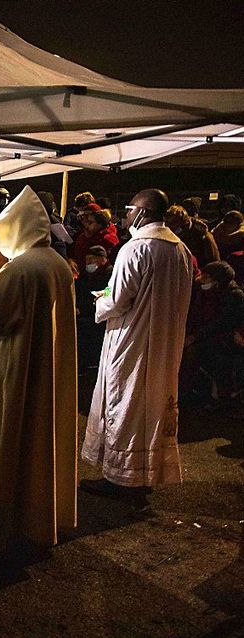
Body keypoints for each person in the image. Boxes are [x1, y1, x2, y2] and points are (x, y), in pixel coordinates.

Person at [0, 186, 78, 551]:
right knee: (43, 438)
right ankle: (39, 518)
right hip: (49, 366)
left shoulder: (20, 269)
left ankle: (2, 517)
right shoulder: (57, 264)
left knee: (8, 436)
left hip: (16, 362)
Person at [81, 189, 194, 501]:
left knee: (126, 402)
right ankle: (144, 472)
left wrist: (101, 300)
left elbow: (118, 299)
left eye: (129, 209)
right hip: (165, 342)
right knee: (151, 406)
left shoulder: (137, 248)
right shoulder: (180, 249)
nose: (126, 215)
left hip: (133, 340)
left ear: (143, 212)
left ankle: (120, 477)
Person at [182, 261, 244, 404]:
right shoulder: (207, 293)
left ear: (217, 281)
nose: (202, 279)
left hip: (225, 338)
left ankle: (188, 391)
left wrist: (194, 337)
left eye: (207, 277)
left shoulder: (234, 296)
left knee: (193, 350)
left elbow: (221, 324)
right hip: (209, 333)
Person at [75, 246, 112, 373]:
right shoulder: (87, 275)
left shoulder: (110, 274)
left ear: (102, 260)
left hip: (99, 313)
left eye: (91, 260)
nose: (88, 264)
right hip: (88, 310)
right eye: (87, 261)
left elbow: (108, 293)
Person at [72, 204, 118, 269]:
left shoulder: (108, 239)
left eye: (90, 223)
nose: (87, 225)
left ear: (100, 224)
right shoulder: (85, 235)